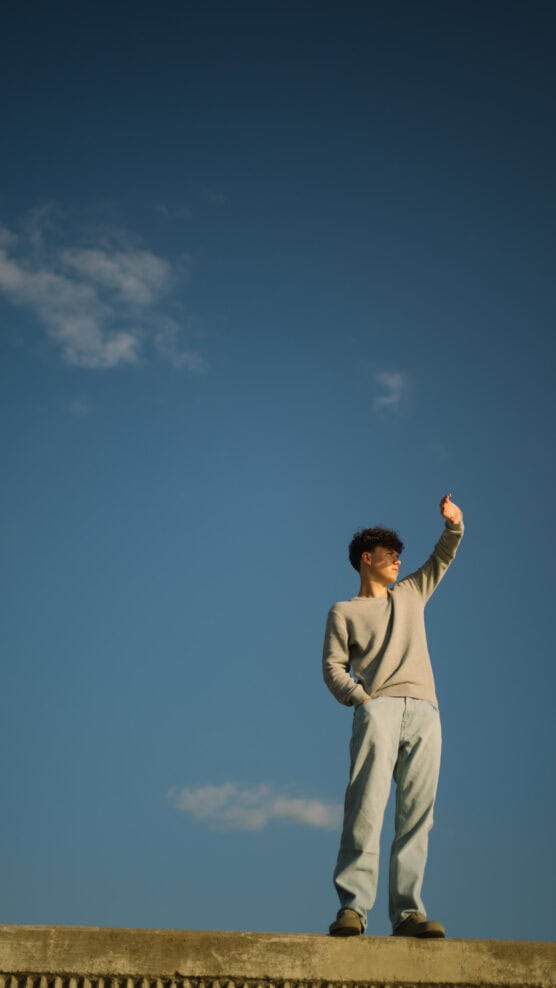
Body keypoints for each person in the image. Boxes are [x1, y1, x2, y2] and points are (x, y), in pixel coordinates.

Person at [322, 494, 464, 938]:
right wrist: (360, 700)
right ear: (368, 559)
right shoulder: (344, 611)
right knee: (365, 809)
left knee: (417, 815)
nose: (399, 562)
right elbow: (332, 666)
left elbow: (441, 558)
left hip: (425, 711)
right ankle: (353, 910)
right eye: (391, 556)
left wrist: (454, 526)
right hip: (377, 709)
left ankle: (407, 914)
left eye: (401, 556)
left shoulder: (411, 593)